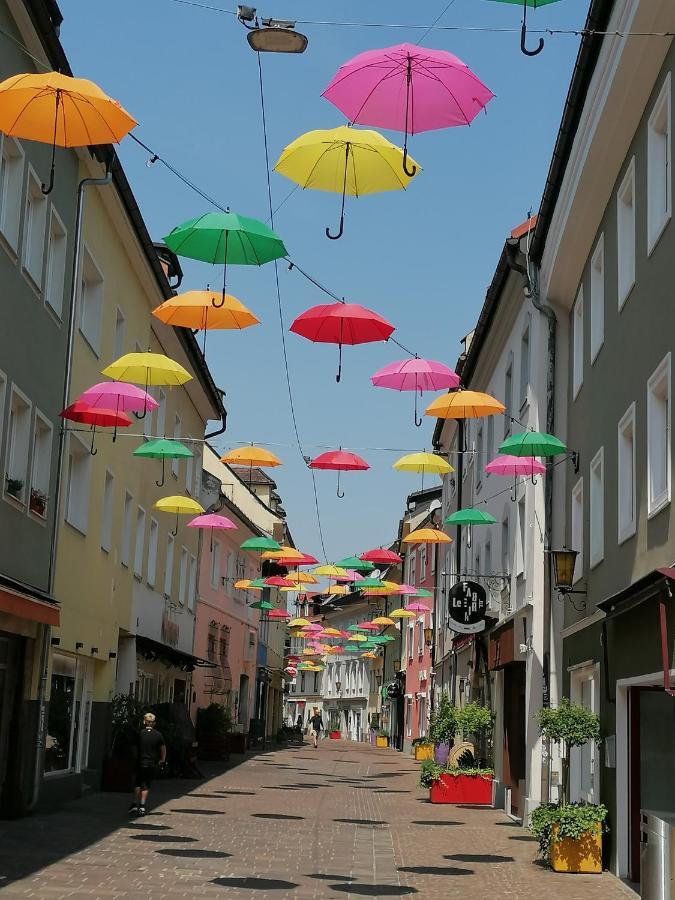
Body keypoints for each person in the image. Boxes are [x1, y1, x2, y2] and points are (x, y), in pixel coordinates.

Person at [129, 712, 166, 817]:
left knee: (137, 783)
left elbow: (134, 748)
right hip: (151, 763)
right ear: (154, 723)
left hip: (140, 762)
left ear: (144, 722)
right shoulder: (158, 735)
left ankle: (135, 803)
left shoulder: (140, 734)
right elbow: (163, 748)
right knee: (145, 784)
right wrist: (162, 759)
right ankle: (142, 805)